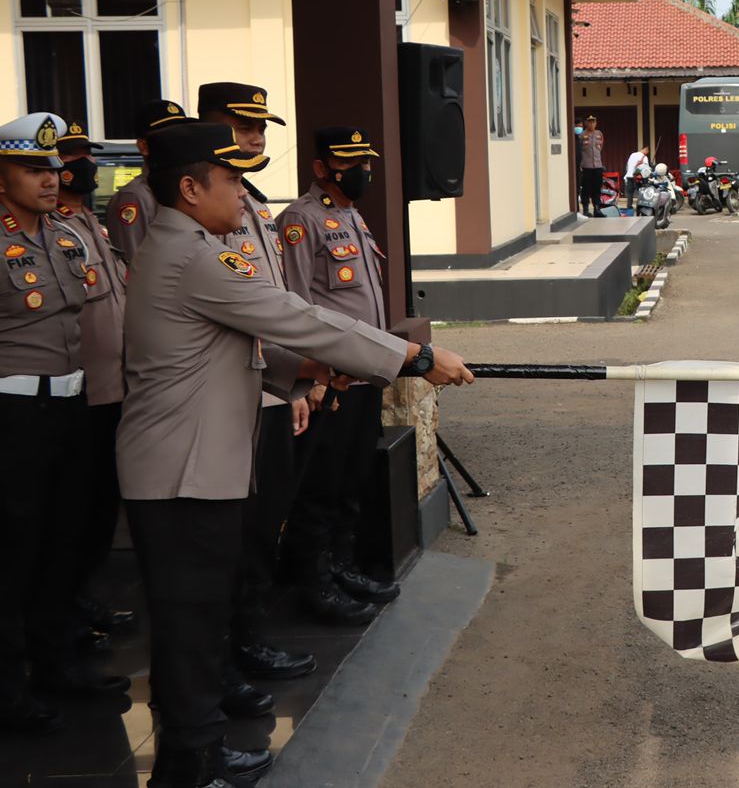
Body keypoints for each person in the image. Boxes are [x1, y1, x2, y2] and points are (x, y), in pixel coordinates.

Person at [118, 122, 473, 786]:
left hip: (192, 467)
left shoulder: (188, 247)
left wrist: (312, 369)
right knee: (191, 622)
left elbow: (245, 347)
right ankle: (188, 767)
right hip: (182, 475)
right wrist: (414, 356)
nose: (241, 190)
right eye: (229, 179)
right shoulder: (196, 255)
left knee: (197, 618)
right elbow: (295, 314)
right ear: (190, 188)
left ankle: (196, 748)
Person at [0, 112, 130, 738]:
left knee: (64, 542)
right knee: (14, 551)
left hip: (74, 405)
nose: (50, 180)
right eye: (32, 169)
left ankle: (56, 663)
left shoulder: (67, 234)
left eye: (51, 169)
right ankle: (7, 687)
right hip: (14, 413)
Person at [195, 82, 318, 703]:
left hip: (267, 390)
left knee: (262, 526)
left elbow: (281, 303)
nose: (255, 139)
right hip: (224, 399)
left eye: (260, 129)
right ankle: (227, 657)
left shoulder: (255, 203)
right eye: (241, 127)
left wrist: (292, 382)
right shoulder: (195, 214)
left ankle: (249, 639)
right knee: (231, 537)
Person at [277, 127, 402, 625]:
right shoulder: (300, 221)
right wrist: (312, 379)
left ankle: (344, 565)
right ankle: (316, 581)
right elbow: (294, 306)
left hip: (362, 377)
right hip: (328, 379)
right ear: (321, 167)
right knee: (321, 486)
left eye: (365, 162)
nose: (362, 171)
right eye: (349, 162)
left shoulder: (350, 215)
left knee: (351, 479)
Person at [51, 122, 137, 647]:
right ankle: (61, 610)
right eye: (70, 157)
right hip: (77, 395)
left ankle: (81, 596)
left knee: (100, 506)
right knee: (70, 511)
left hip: (114, 390)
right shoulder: (52, 229)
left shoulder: (92, 222)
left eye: (86, 155)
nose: (83, 165)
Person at [105, 98, 194, 264]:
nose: (178, 141)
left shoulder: (189, 187)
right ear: (143, 146)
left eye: (181, 132)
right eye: (167, 135)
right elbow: (134, 265)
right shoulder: (135, 196)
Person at [577, 114, 605, 217]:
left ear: (596, 123)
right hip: (586, 166)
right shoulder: (582, 135)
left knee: (597, 188)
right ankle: (585, 209)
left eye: (594, 122)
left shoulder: (599, 134)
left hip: (597, 166)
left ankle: (597, 209)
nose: (592, 123)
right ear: (586, 123)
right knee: (586, 189)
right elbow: (579, 150)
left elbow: (600, 148)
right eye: (590, 122)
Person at [623, 144, 649, 213]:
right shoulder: (644, 157)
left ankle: (629, 207)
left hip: (629, 176)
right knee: (642, 192)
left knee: (630, 194)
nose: (647, 153)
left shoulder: (632, 155)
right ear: (646, 149)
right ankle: (642, 206)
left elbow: (628, 165)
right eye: (647, 151)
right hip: (638, 178)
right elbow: (646, 169)